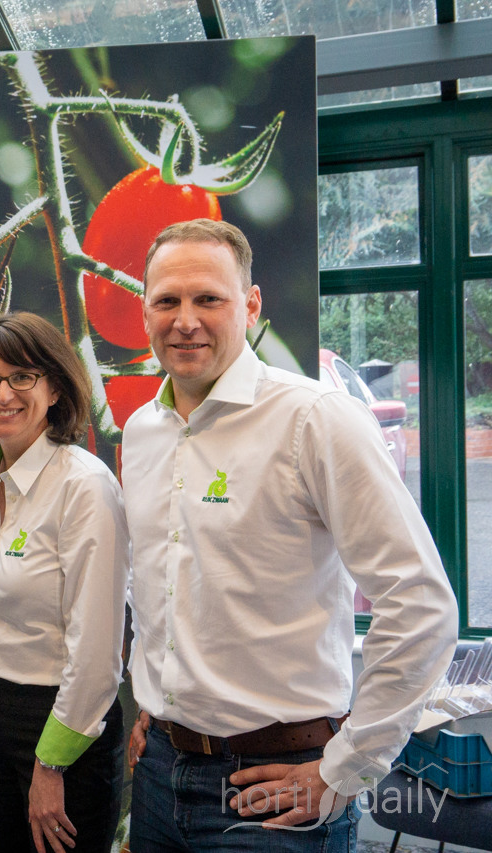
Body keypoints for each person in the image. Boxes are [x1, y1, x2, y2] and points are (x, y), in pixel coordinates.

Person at [122, 218, 458, 852]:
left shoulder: (315, 419)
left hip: (276, 791)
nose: (185, 321)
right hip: (160, 773)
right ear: (145, 312)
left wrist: (346, 769)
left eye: (208, 299)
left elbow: (421, 604)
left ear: (250, 306)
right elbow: (157, 586)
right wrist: (156, 701)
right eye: (167, 301)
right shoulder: (142, 432)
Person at [0, 312, 128, 853]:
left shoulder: (84, 486)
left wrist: (51, 763)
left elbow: (97, 650)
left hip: (61, 721)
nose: (2, 393)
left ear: (55, 389)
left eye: (22, 377)